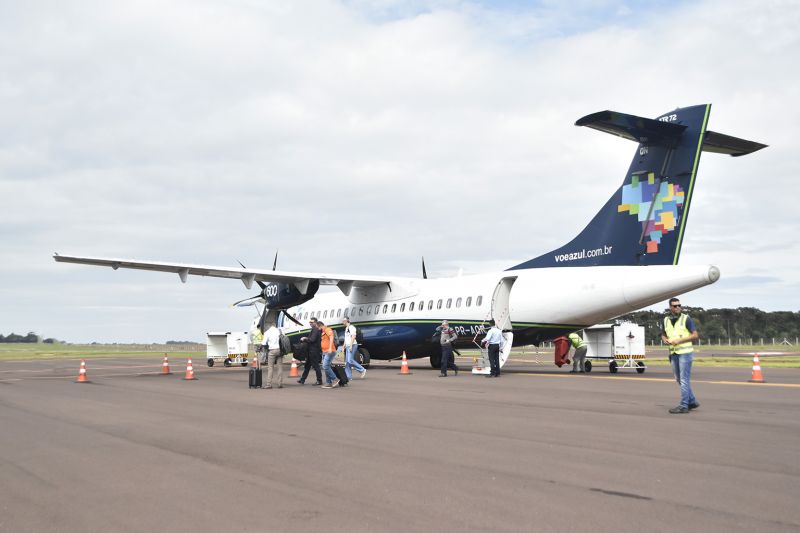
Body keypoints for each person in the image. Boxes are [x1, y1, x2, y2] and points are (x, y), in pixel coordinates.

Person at [661, 297, 700, 414]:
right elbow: (663, 334)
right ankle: (692, 401)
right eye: (675, 306)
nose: (678, 307)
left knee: (684, 380)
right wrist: (664, 339)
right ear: (670, 307)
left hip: (685, 353)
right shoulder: (666, 320)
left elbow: (695, 335)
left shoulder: (686, 319)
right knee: (679, 379)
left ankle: (684, 405)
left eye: (679, 305)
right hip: (673, 353)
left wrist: (680, 341)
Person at [298, 318, 323, 386]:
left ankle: (319, 380)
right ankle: (302, 379)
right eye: (310, 322)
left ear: (315, 322)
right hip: (311, 351)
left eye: (312, 322)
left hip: (314, 351)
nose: (310, 323)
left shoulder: (315, 329)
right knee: (307, 366)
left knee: (316, 366)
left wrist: (305, 338)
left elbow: (312, 340)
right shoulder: (314, 329)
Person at [318, 320, 340, 389]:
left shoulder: (327, 329)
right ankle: (328, 383)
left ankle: (335, 379)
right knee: (327, 366)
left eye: (317, 327)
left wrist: (330, 347)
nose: (317, 329)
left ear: (320, 326)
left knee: (325, 366)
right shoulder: (323, 331)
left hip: (330, 351)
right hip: (324, 351)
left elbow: (331, 337)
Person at [262, 322, 283, 389]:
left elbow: (264, 343)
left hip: (272, 351)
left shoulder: (267, 332)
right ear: (275, 325)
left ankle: (269, 384)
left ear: (269, 326)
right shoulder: (279, 330)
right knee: (279, 367)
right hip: (279, 350)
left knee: (270, 367)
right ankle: (280, 384)